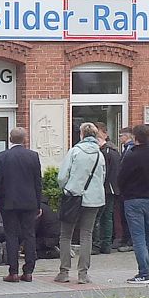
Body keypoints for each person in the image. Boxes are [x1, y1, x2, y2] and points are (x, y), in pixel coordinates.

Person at [55, 122, 106, 284]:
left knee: (65, 235)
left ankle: (64, 272)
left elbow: (62, 176)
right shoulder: (100, 154)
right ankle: (83, 274)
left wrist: (66, 188)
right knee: (87, 235)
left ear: (81, 134)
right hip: (94, 200)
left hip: (73, 197)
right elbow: (102, 177)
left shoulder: (75, 151)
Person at [0, 127, 42, 283]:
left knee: (11, 236)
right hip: (29, 202)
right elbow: (38, 182)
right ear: (24, 139)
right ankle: (28, 272)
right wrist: (38, 203)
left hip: (9, 203)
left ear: (10, 139)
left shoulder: (2, 157)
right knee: (29, 235)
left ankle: (13, 272)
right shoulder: (33, 156)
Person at [118, 125, 149, 284]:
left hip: (133, 199)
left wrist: (124, 191)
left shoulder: (131, 156)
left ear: (135, 138)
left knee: (138, 236)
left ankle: (143, 273)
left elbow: (121, 177)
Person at [93, 123, 121, 255]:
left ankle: (99, 244)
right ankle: (106, 245)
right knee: (107, 217)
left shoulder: (105, 152)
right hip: (112, 188)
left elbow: (104, 172)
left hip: (105, 188)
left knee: (99, 217)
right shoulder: (114, 151)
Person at [114, 127, 135, 252]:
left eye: (121, 136)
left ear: (127, 136)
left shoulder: (130, 150)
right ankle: (126, 239)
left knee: (128, 216)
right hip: (125, 189)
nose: (120, 138)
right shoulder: (126, 149)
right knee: (124, 215)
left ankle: (129, 240)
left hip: (128, 189)